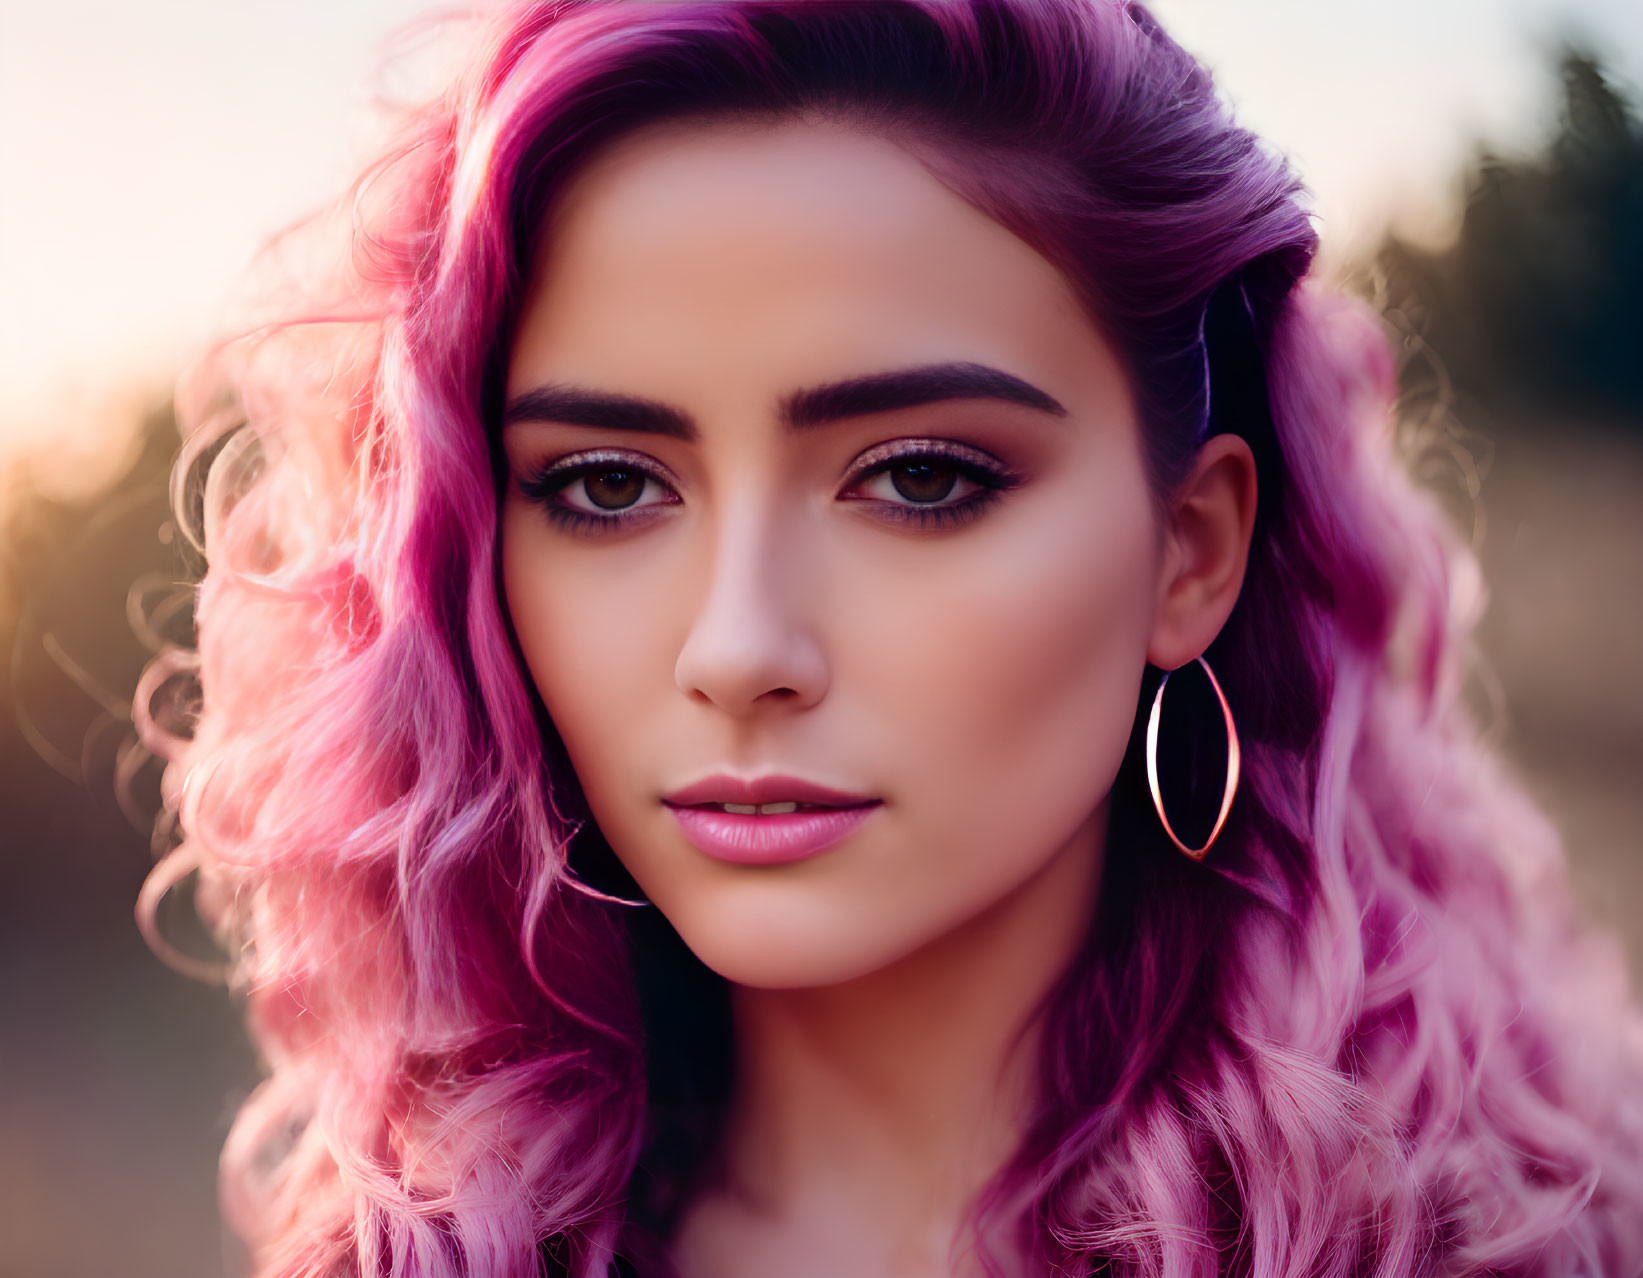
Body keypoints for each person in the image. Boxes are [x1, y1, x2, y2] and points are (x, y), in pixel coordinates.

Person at [133, 2, 1643, 1275]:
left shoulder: (1514, 1233)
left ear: (1191, 549)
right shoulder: (420, 1245)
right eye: (607, 485)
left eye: (919, 476)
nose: (737, 649)